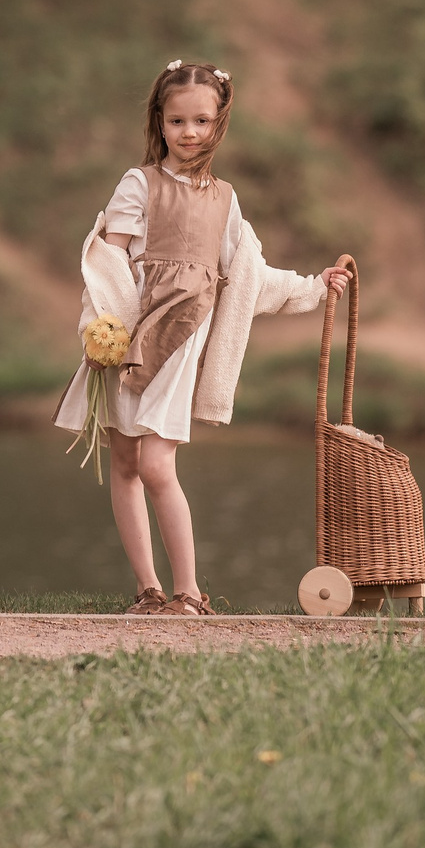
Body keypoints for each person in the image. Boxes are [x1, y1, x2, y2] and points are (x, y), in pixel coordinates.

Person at [54, 60, 351, 615]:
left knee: (156, 464)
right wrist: (106, 326)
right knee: (123, 460)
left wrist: (314, 288)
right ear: (159, 122)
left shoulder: (224, 199)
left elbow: (248, 275)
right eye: (176, 121)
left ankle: (189, 592)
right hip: (132, 333)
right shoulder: (139, 183)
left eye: (201, 121)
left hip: (180, 337)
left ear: (219, 122)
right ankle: (149, 589)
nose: (189, 133)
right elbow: (107, 256)